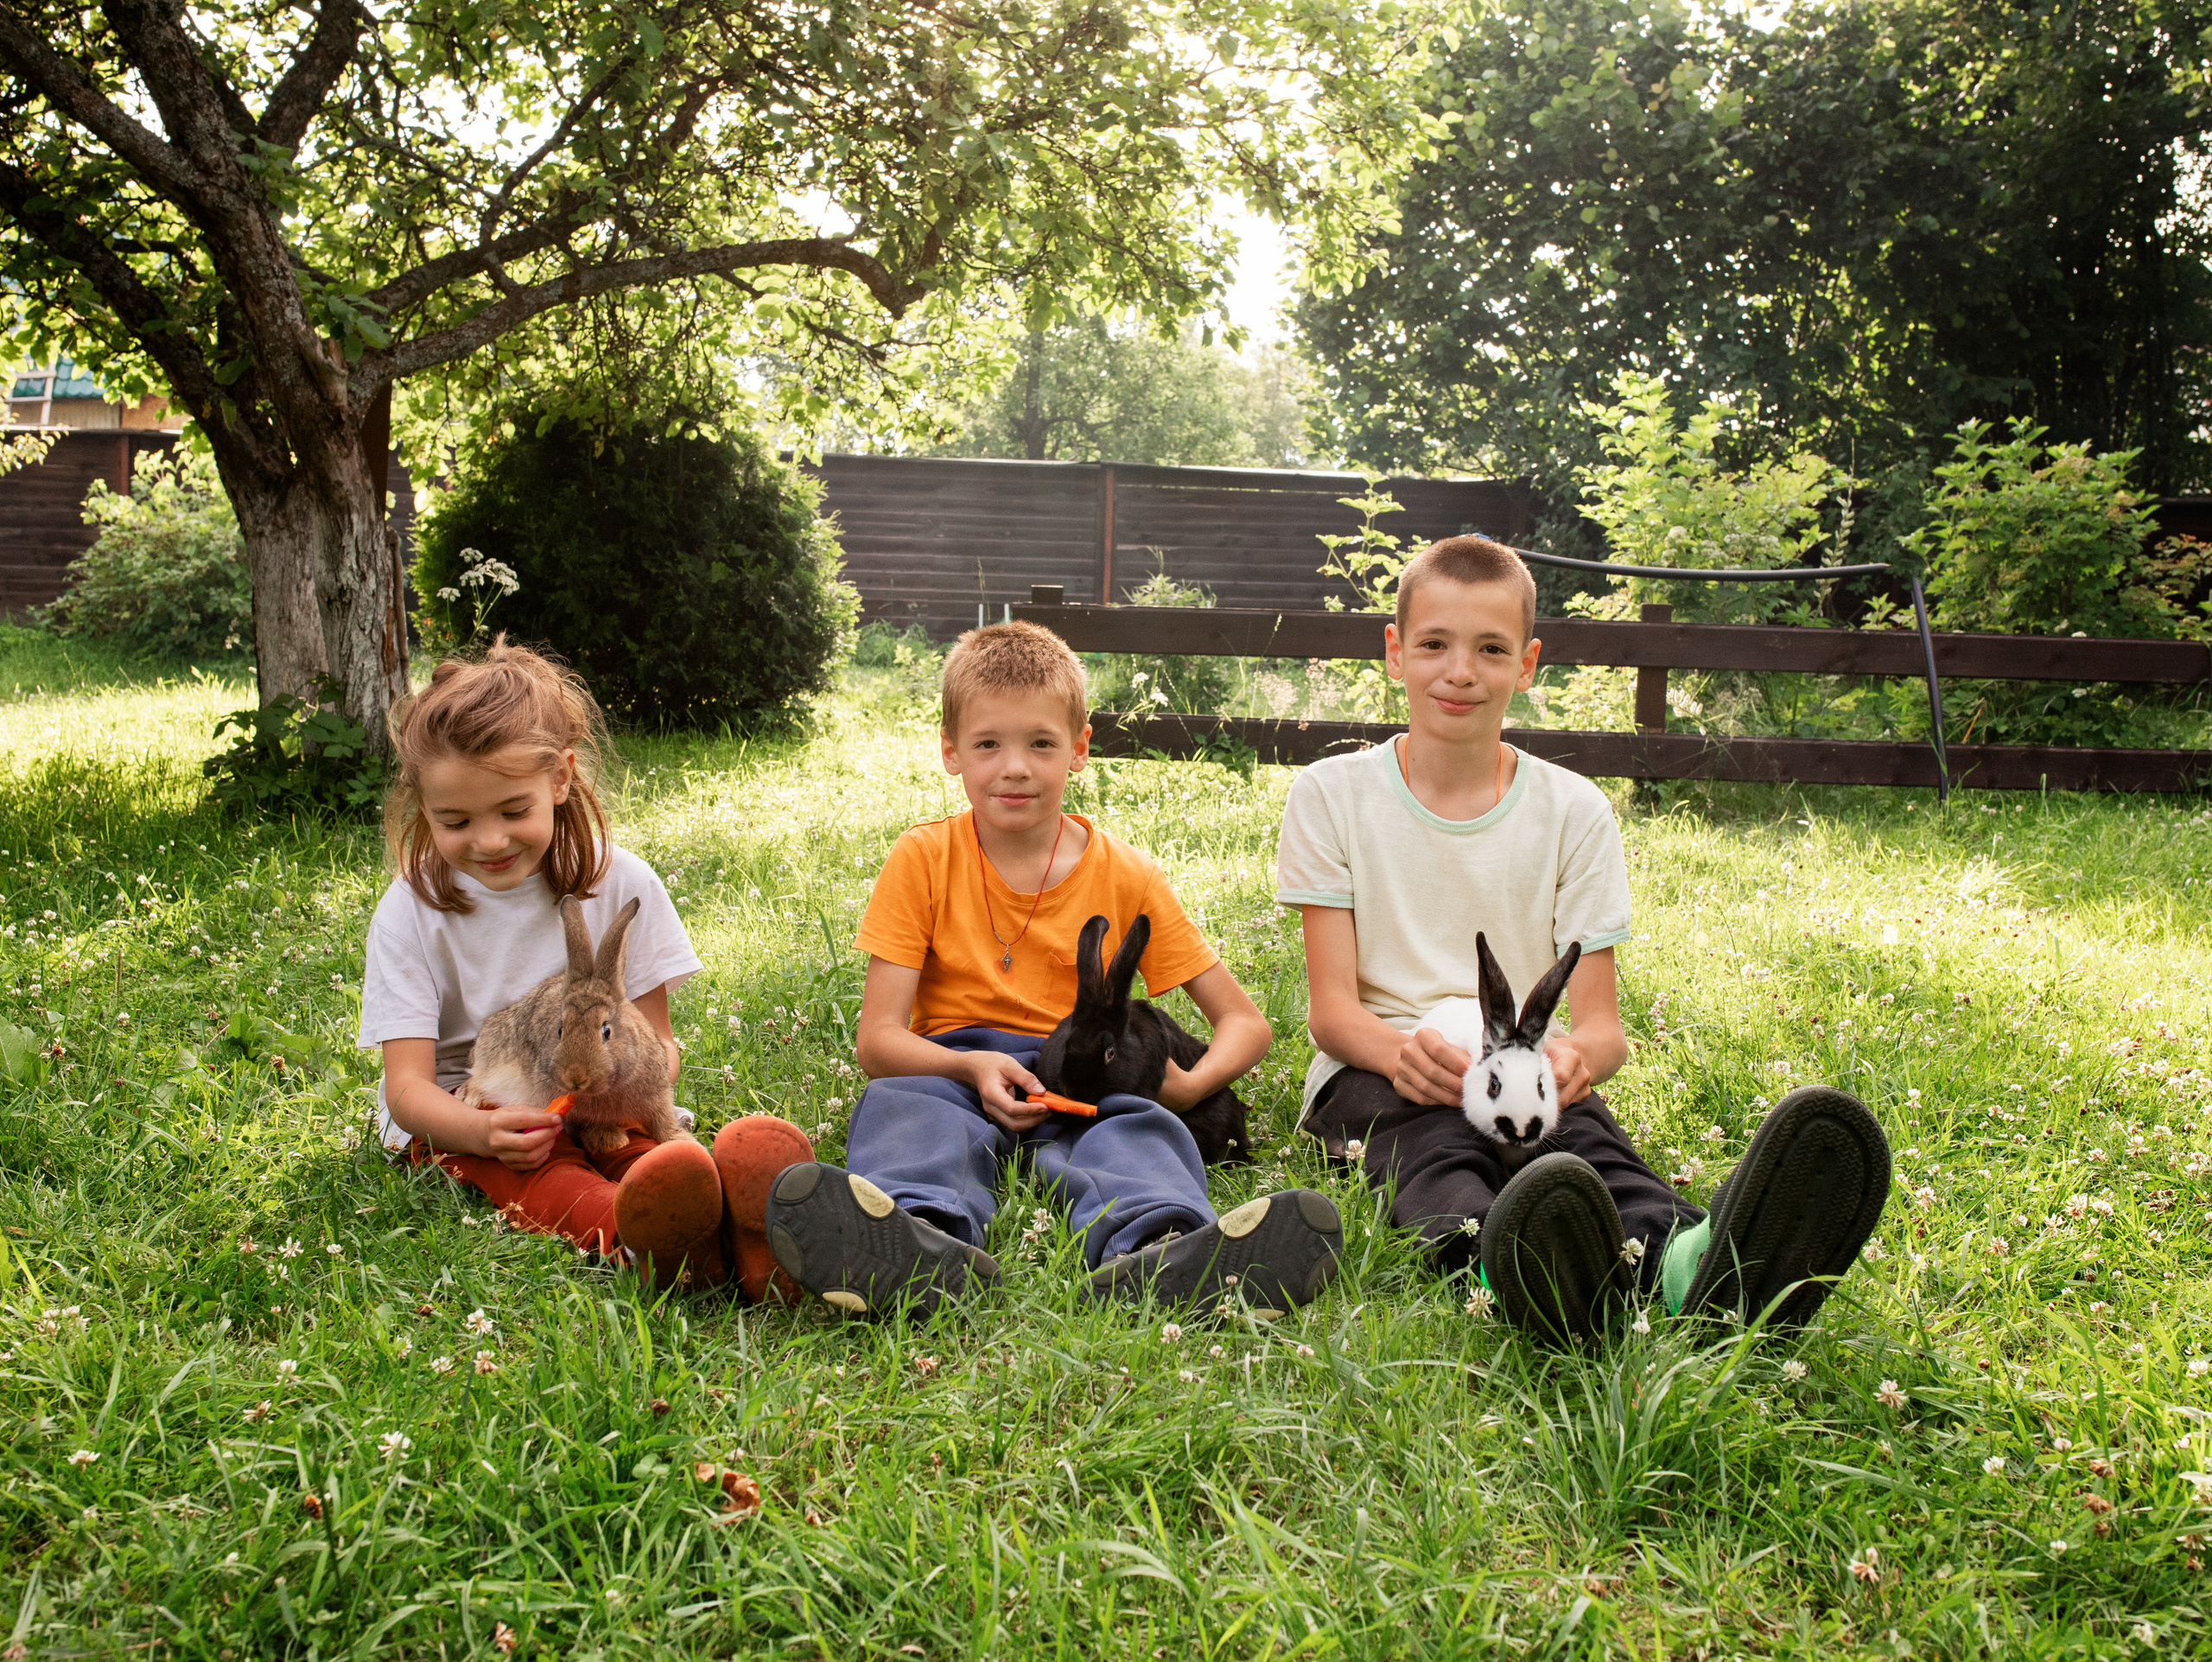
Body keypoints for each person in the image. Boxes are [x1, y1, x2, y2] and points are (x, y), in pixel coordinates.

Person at [1277, 537, 1891, 1342]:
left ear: (1527, 664)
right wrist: (1399, 1056)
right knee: (1433, 1159)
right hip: (1377, 1070)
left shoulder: (1573, 811)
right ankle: (1515, 1268)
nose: (1460, 671)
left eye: (1491, 649)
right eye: (1434, 644)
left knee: (1589, 1152)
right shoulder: (1330, 796)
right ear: (1395, 653)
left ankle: (1698, 1268)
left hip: (1522, 1071)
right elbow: (1331, 1012)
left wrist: (1576, 1062)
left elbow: (1601, 1031)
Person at [766, 620, 1342, 1316]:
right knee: (903, 1106)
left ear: (1079, 749)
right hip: (954, 1068)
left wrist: (1188, 1088)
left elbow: (1244, 1024)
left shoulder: (1129, 875)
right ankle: (917, 1236)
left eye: (1041, 743)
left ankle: (1160, 1247)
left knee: (1136, 1129)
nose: (1016, 767)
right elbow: (879, 1041)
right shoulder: (922, 859)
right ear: (950, 752)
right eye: (988, 744)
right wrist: (971, 1068)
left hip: (1087, 1076)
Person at [359, 639, 811, 1297]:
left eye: (514, 810)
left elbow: (656, 1042)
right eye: (454, 820)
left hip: (603, 1096)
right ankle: (653, 1242)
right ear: (422, 807)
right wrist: (484, 1131)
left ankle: (751, 1229)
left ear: (562, 779)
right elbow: (407, 1089)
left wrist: (622, 1089)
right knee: (550, 1175)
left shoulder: (621, 881)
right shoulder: (410, 911)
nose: (488, 840)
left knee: (643, 1155)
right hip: (478, 1106)